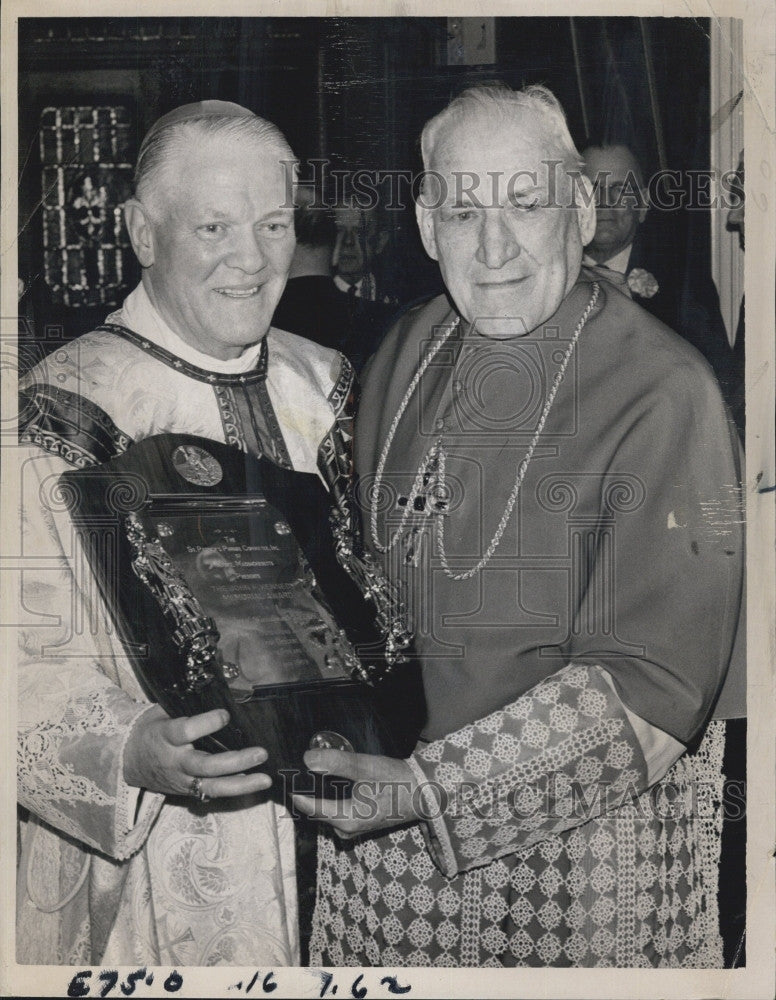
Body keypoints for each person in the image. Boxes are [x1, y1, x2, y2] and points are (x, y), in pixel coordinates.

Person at [294, 84, 744, 967]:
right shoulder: (404, 351)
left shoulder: (665, 391)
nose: (492, 246)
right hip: (384, 870)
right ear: (426, 226)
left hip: (574, 875)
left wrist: (429, 790)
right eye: (462, 210)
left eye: (524, 203)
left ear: (579, 208)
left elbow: (653, 689)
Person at [16, 100, 355, 965]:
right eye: (213, 227)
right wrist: (127, 748)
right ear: (140, 231)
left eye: (274, 223)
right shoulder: (64, 407)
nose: (251, 258)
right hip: (162, 866)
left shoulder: (330, 385)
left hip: (351, 849)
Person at [581, 142, 737, 423]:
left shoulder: (685, 287)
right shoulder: (547, 288)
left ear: (642, 204)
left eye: (620, 189)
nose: (604, 200)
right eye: (592, 189)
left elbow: (719, 391)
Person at [272, 188, 392, 373]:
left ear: (381, 241)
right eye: (339, 230)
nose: (348, 242)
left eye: (359, 232)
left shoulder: (397, 311)